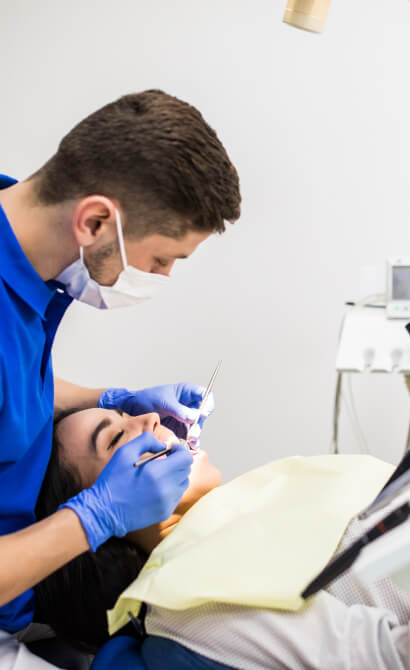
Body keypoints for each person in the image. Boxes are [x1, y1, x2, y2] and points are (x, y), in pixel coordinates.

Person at [0, 90, 241, 669]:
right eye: (162, 260)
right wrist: (98, 515)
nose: (160, 276)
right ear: (96, 220)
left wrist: (109, 399)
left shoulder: (25, 262)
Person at [34, 407, 410, 670]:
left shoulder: (257, 501)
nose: (151, 418)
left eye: (126, 412)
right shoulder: (199, 603)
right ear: (104, 520)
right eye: (117, 438)